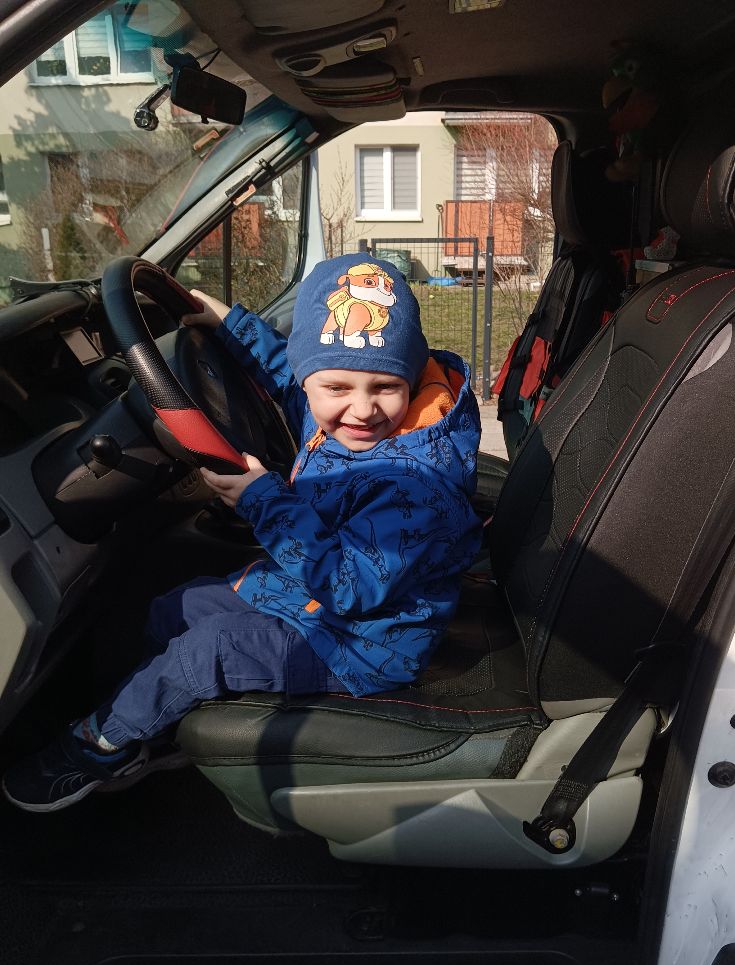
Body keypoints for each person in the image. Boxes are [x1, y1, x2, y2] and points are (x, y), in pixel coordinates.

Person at [3, 254, 483, 812]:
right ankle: (155, 721)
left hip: (364, 643)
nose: (362, 409)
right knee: (176, 608)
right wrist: (224, 321)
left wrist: (263, 500)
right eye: (336, 386)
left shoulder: (416, 485)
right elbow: (284, 373)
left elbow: (350, 589)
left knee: (206, 651)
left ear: (412, 376)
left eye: (386, 386)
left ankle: (103, 746)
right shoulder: (341, 413)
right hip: (307, 598)